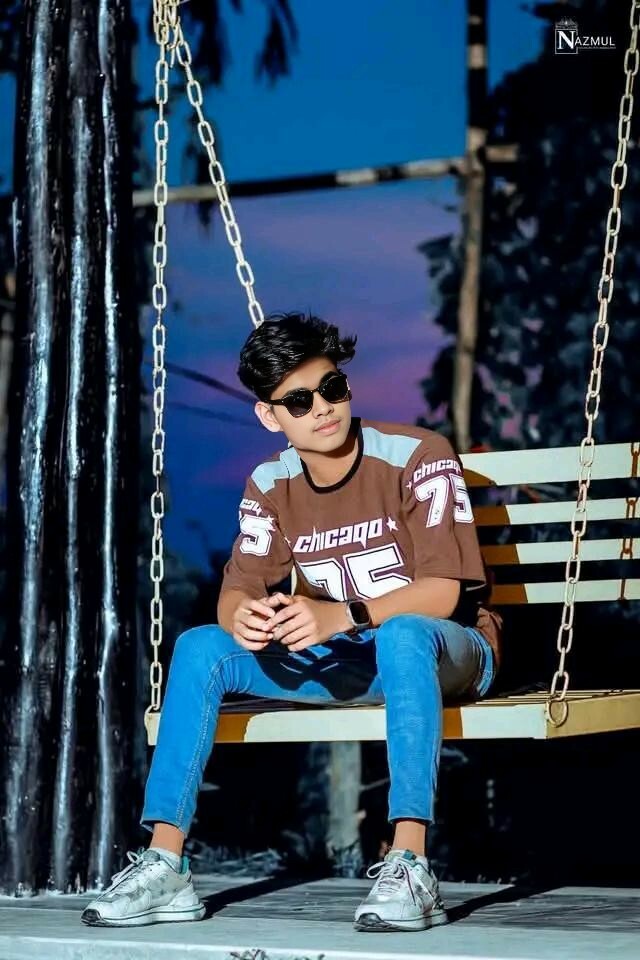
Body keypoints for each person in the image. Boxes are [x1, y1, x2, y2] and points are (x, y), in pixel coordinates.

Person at [82, 312, 502, 933]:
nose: (322, 408)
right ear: (269, 415)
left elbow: (442, 593)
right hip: (352, 661)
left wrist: (340, 615)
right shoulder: (270, 483)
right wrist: (245, 618)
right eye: (299, 401)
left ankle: (410, 863)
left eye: (332, 387)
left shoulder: (416, 454)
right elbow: (237, 591)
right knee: (201, 646)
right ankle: (166, 862)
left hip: (449, 652)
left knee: (403, 633)